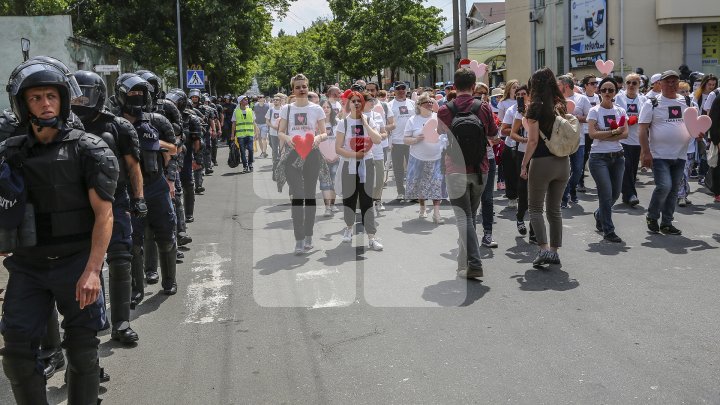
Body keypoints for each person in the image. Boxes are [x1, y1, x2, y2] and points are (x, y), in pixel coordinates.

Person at [0, 56, 119, 405]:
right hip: (27, 267)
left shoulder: (88, 149)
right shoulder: (10, 153)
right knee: (17, 353)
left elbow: (104, 215)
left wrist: (93, 270)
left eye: (51, 95)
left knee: (82, 351)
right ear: (23, 104)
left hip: (77, 263)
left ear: (63, 99)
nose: (45, 103)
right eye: (36, 97)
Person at [71, 70, 146, 343]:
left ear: (99, 94)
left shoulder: (117, 126)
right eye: (76, 94)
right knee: (87, 265)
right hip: (79, 207)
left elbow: (133, 165)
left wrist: (138, 198)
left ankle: (121, 323)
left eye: (86, 94)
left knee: (120, 259)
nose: (81, 100)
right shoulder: (65, 125)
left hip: (117, 201)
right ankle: (95, 321)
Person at [114, 74, 178, 307]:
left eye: (140, 94)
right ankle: (136, 289)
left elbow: (174, 149)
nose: (136, 99)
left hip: (156, 186)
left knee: (166, 236)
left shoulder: (157, 121)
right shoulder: (114, 124)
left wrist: (154, 144)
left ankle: (169, 280)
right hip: (127, 191)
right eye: (131, 94)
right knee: (134, 243)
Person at [437, 67, 499, 279]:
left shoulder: (445, 109)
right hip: (480, 169)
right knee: (470, 217)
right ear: (474, 86)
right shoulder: (484, 107)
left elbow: (440, 132)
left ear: (454, 86)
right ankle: (463, 263)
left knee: (463, 218)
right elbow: (493, 134)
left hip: (455, 169)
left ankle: (474, 262)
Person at [520, 67, 570, 267]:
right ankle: (555, 251)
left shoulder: (535, 107)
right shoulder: (561, 105)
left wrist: (524, 164)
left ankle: (543, 249)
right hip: (562, 161)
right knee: (554, 209)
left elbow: (532, 141)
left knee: (534, 208)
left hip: (541, 161)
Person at [276, 74, 328, 255]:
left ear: (308, 87)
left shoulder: (316, 109)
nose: (302, 89)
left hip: (312, 154)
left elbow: (324, 133)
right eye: (298, 87)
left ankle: (309, 236)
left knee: (309, 196)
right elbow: (280, 132)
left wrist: (317, 138)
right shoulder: (286, 109)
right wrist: (287, 138)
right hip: (292, 155)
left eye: (304, 86)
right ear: (293, 90)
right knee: (298, 195)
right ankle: (298, 239)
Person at [638, 70, 693, 234]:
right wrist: (645, 152)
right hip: (659, 155)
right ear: (660, 84)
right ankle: (652, 216)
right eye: (667, 81)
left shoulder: (686, 101)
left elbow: (693, 124)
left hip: (680, 154)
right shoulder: (652, 102)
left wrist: (698, 134)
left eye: (674, 81)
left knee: (674, 189)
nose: (671, 84)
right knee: (664, 186)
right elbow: (642, 130)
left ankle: (667, 223)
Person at [335, 91, 384, 250]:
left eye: (359, 101)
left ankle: (372, 237)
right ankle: (349, 228)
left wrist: (366, 124)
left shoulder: (369, 119)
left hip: (367, 164)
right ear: (348, 104)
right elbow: (338, 149)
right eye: (353, 101)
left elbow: (377, 140)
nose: (356, 103)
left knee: (366, 200)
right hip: (349, 164)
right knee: (349, 199)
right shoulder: (344, 123)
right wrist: (354, 155)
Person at [587, 77, 628, 243]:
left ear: (615, 93)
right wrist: (613, 133)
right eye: (604, 90)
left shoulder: (620, 111)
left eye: (610, 90)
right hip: (598, 158)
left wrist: (604, 134)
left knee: (615, 193)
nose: (607, 93)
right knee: (605, 194)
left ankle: (599, 214)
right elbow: (592, 134)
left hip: (618, 156)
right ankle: (608, 230)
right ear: (599, 92)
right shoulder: (594, 111)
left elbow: (625, 134)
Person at [403, 93, 447, 224]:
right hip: (418, 158)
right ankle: (422, 207)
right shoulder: (413, 120)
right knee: (420, 184)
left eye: (431, 102)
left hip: (436, 157)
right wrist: (416, 139)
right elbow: (405, 140)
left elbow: (445, 133)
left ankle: (436, 213)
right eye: (426, 102)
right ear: (419, 105)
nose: (429, 104)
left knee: (436, 184)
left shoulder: (438, 117)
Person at [558, 74, 591, 207]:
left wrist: (574, 118)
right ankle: (564, 197)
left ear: (566, 86)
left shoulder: (581, 99)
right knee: (565, 170)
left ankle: (572, 189)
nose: (557, 87)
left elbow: (589, 117)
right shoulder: (556, 99)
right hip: (562, 141)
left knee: (578, 170)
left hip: (579, 140)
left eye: (559, 85)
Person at [388, 83, 416, 201]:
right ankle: (400, 191)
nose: (400, 91)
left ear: (407, 90)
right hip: (396, 141)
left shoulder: (412, 104)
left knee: (413, 168)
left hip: (411, 141)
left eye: (403, 88)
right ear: (394, 91)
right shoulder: (389, 105)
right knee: (398, 168)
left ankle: (413, 192)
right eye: (398, 89)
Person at [318, 99, 340, 216]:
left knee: (334, 183)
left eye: (328, 107)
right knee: (325, 183)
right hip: (322, 159)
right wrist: (322, 156)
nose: (325, 109)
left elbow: (342, 141)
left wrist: (338, 155)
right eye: (323, 107)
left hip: (336, 157)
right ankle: (327, 207)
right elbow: (314, 143)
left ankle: (332, 204)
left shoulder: (338, 122)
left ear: (331, 109)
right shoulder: (316, 123)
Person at [578, 74, 599, 193]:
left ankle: (599, 181)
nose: (595, 85)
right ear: (586, 86)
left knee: (596, 157)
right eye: (592, 83)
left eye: (596, 83)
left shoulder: (598, 97)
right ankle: (580, 182)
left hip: (595, 132)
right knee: (583, 157)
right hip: (584, 132)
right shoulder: (581, 98)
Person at [232, 95, 255, 173]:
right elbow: (234, 124)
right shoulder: (236, 111)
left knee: (251, 150)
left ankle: (250, 164)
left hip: (250, 134)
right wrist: (232, 135)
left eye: (247, 99)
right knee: (242, 151)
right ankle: (245, 166)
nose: (247, 101)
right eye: (245, 100)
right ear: (240, 102)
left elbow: (253, 122)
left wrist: (257, 131)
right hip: (240, 135)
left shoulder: (250, 110)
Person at [266, 93, 285, 179]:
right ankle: (275, 166)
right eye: (274, 100)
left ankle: (282, 165)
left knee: (282, 150)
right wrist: (273, 126)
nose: (275, 101)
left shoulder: (284, 109)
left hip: (282, 133)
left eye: (277, 100)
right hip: (273, 133)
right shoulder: (270, 110)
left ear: (281, 101)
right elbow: (267, 121)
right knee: (274, 151)